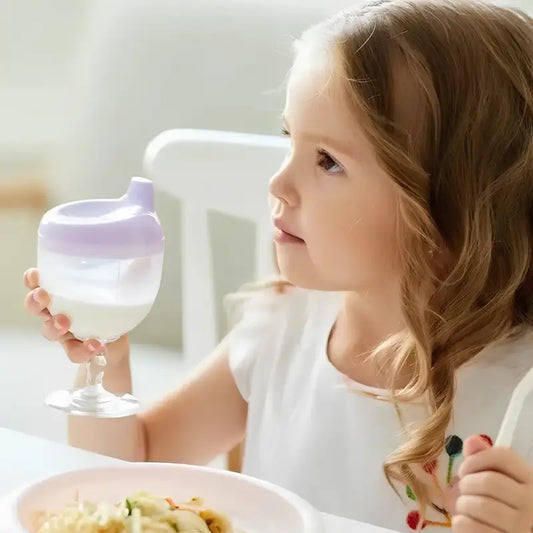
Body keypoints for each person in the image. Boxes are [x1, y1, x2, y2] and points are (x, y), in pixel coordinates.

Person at [23, 0, 533, 531]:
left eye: (328, 161)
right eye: (290, 140)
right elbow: (131, 467)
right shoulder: (281, 328)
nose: (277, 184)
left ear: (451, 208)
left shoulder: (520, 385)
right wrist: (103, 359)